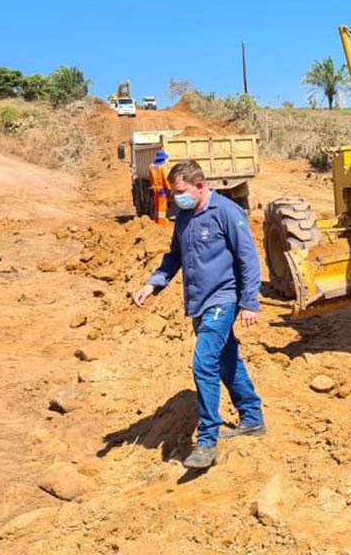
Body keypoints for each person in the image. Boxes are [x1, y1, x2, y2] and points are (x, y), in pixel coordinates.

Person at [133, 159, 265, 469]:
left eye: (180, 191)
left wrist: (249, 302)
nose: (176, 196)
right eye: (173, 191)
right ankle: (252, 417)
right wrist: (152, 285)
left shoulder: (227, 213)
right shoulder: (183, 218)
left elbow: (248, 258)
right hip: (198, 302)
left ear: (200, 186)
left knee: (203, 362)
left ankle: (207, 440)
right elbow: (174, 258)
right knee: (226, 360)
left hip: (223, 299)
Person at [148, 151, 171, 225]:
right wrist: (169, 188)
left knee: (156, 206)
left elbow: (151, 179)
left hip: (155, 188)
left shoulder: (151, 166)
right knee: (162, 207)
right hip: (162, 189)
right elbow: (166, 179)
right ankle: (161, 223)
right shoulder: (163, 167)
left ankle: (156, 221)